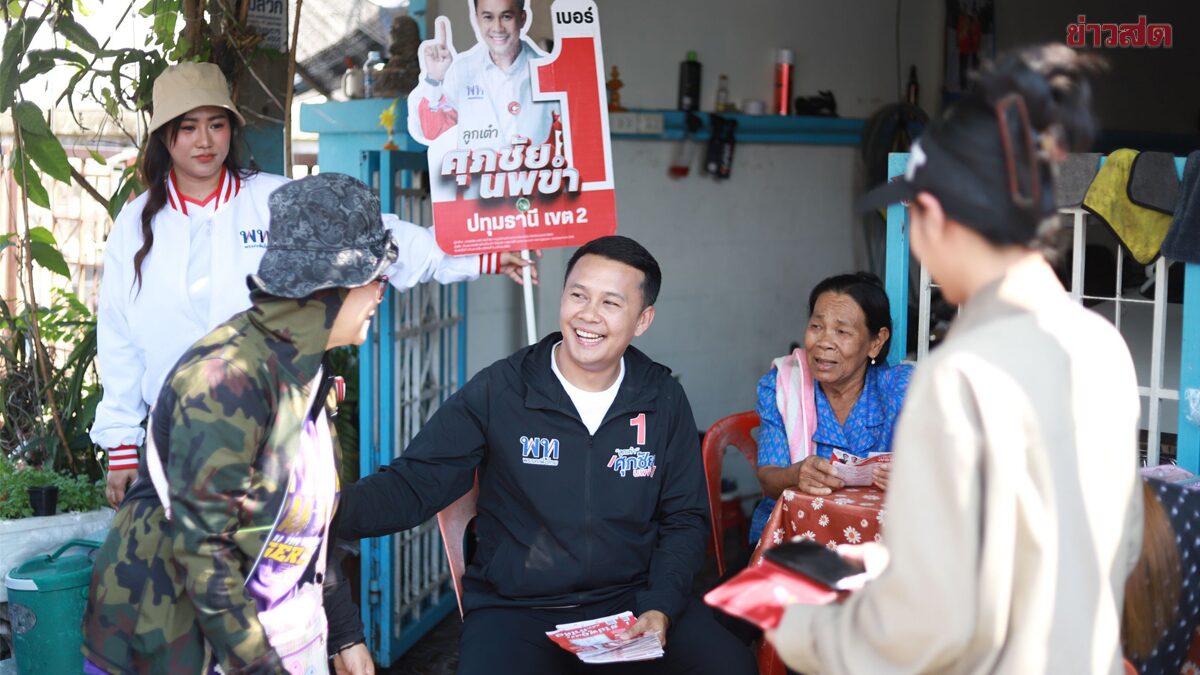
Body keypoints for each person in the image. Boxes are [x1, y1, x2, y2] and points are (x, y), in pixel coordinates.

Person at [767, 45, 1143, 673]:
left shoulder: (963, 374)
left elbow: (926, 626)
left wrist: (798, 623)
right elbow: (1106, 544)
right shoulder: (1098, 343)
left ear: (935, 218)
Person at [92, 61, 533, 509]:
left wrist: (483, 256)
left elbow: (375, 236)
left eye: (216, 124)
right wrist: (122, 444)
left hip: (274, 441)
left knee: (280, 569)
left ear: (231, 129)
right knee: (185, 569)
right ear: (164, 135)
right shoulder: (135, 224)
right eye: (188, 128)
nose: (204, 141)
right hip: (177, 444)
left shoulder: (273, 199)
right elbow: (119, 336)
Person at [332, 236, 756, 674]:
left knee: (730, 665)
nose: (588, 315)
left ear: (643, 319)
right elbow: (415, 484)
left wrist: (661, 606)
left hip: (631, 602)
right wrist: (319, 513)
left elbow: (684, 517)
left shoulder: (662, 397)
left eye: (611, 303)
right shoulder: (502, 389)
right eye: (578, 295)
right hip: (517, 610)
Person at [82, 174, 397, 673]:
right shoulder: (229, 380)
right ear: (330, 289)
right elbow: (204, 554)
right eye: (376, 279)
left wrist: (341, 631)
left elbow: (308, 521)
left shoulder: (303, 365)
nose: (382, 295)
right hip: (167, 645)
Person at [749, 271, 912, 545]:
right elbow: (768, 478)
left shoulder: (902, 390)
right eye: (816, 326)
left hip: (881, 542)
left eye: (842, 332)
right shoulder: (782, 385)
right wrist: (796, 474)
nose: (824, 342)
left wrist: (913, 474)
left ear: (876, 342)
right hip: (796, 538)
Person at [407, 0, 559, 200]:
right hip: (481, 207)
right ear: (477, 19)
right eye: (488, 17)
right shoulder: (462, 71)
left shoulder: (550, 73)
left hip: (542, 201)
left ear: (522, 19)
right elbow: (431, 131)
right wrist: (434, 80)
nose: (497, 28)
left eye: (506, 16)